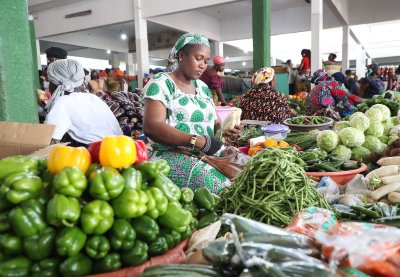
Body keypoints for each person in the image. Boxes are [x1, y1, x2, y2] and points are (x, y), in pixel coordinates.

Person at [141, 32, 241, 193]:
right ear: (182, 56)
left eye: (206, 61)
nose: (203, 65)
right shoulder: (161, 83)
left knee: (247, 174)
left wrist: (227, 132)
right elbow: (152, 126)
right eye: (198, 58)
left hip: (205, 155)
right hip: (169, 155)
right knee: (222, 188)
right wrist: (197, 141)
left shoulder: (203, 88)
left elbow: (214, 126)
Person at [44, 59, 122, 147]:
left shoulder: (62, 103)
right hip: (120, 150)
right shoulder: (93, 98)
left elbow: (49, 141)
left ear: (55, 83)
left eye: (50, 81)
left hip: (96, 155)